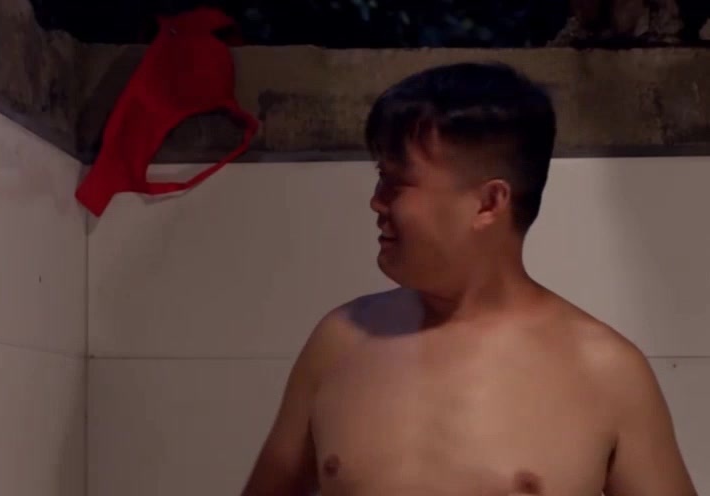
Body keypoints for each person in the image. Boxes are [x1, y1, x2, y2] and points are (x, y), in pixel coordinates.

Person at [241, 62, 697, 496]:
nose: (376, 202)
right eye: (380, 177)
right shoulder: (339, 342)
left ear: (488, 203)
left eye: (396, 182)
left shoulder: (607, 372)